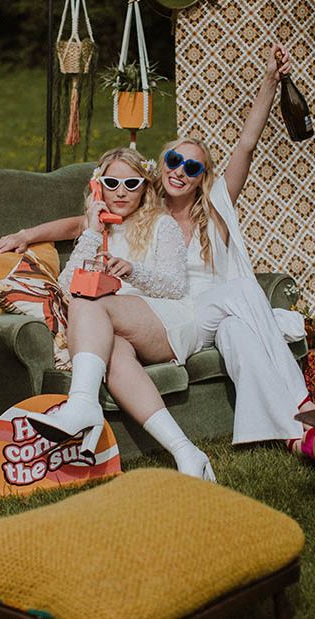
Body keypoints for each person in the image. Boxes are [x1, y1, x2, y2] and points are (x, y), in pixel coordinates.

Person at [0, 44, 315, 464]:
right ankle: (285, 424)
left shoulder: (215, 206)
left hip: (212, 308)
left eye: (192, 168)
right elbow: (82, 223)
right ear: (162, 164)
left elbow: (246, 145)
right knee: (235, 323)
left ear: (202, 178)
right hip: (171, 316)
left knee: (242, 303)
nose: (181, 171)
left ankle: (298, 416)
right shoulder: (146, 205)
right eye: (174, 160)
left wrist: (270, 81)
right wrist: (28, 234)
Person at [25, 147, 215, 481]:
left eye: (132, 183)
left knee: (91, 299)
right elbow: (66, 288)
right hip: (117, 324)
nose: (121, 192)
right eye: (112, 183)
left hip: (167, 319)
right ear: (98, 186)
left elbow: (174, 286)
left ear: (145, 187)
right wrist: (92, 234)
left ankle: (82, 404)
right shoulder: (97, 230)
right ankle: (186, 452)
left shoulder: (161, 224)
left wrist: (131, 270)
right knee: (113, 356)